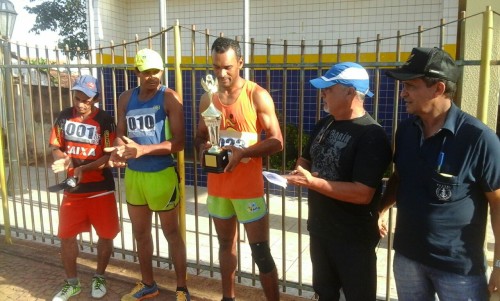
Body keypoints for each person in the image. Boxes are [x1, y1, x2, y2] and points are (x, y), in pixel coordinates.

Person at [379, 47, 500, 300]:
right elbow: (400, 177)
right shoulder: (407, 130)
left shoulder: (479, 139)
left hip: (459, 271)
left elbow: (498, 204)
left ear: (439, 89)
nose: (403, 93)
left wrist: (499, 265)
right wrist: (380, 210)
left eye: (411, 86)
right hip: (407, 259)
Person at [284, 62, 392, 301]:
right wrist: (300, 171)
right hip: (321, 230)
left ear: (350, 92)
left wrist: (313, 183)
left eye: (329, 88)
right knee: (325, 293)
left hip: (352, 238)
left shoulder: (372, 135)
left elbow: (362, 193)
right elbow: (306, 158)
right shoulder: (325, 123)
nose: (323, 93)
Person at [195, 37, 283, 301]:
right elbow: (200, 137)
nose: (221, 74)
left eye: (228, 67)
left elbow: (277, 141)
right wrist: (202, 151)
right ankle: (228, 298)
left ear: (241, 63)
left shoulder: (256, 95)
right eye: (216, 67)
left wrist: (244, 152)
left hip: (248, 190)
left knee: (260, 251)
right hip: (219, 188)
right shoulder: (207, 99)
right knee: (225, 245)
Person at [106, 48, 190, 301]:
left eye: (156, 71)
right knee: (140, 233)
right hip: (134, 176)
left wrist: (143, 149)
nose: (152, 77)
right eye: (146, 72)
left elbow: (179, 142)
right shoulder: (125, 98)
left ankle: (182, 288)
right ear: (137, 73)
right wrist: (119, 149)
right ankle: (148, 284)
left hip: (161, 175)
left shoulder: (170, 98)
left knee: (171, 233)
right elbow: (120, 132)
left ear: (162, 71)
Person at [49, 75, 120, 301]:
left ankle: (99, 276)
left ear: (95, 99)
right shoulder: (64, 117)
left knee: (106, 235)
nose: (80, 104)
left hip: (101, 188)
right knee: (66, 236)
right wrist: (65, 160)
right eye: (77, 98)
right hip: (73, 190)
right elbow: (55, 146)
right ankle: (72, 284)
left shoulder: (106, 120)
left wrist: (83, 168)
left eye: (86, 100)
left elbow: (107, 157)